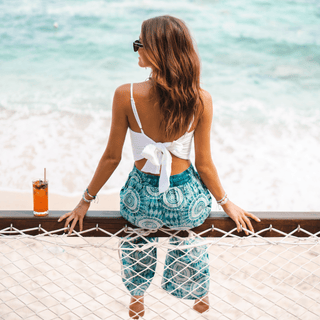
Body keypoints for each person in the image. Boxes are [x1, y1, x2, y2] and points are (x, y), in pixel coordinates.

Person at [58, 15, 260, 319]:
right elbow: (204, 164)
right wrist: (226, 203)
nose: (136, 49)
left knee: (137, 237)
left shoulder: (125, 95)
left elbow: (112, 158)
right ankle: (197, 289)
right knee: (189, 232)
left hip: (141, 201)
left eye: (140, 43)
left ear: (156, 51)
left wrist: (84, 202)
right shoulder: (201, 100)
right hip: (186, 203)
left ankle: (137, 295)